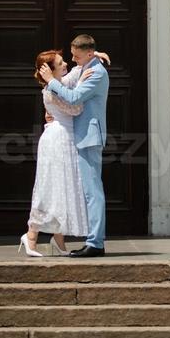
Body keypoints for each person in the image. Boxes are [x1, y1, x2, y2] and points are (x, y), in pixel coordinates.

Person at [40, 33, 109, 257]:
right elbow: (70, 82)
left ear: (87, 54)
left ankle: (96, 243)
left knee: (93, 192)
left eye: (76, 56)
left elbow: (73, 98)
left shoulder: (96, 72)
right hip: (81, 136)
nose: (72, 60)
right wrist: (95, 55)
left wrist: (51, 81)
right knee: (89, 191)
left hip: (89, 137)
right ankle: (93, 240)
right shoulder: (87, 65)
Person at [19, 50, 90, 257]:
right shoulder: (51, 90)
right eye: (61, 63)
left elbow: (72, 74)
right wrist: (81, 87)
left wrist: (93, 56)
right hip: (57, 140)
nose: (65, 64)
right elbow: (75, 109)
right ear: (51, 71)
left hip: (65, 139)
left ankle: (59, 240)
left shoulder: (58, 83)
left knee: (63, 188)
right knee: (50, 187)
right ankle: (31, 235)